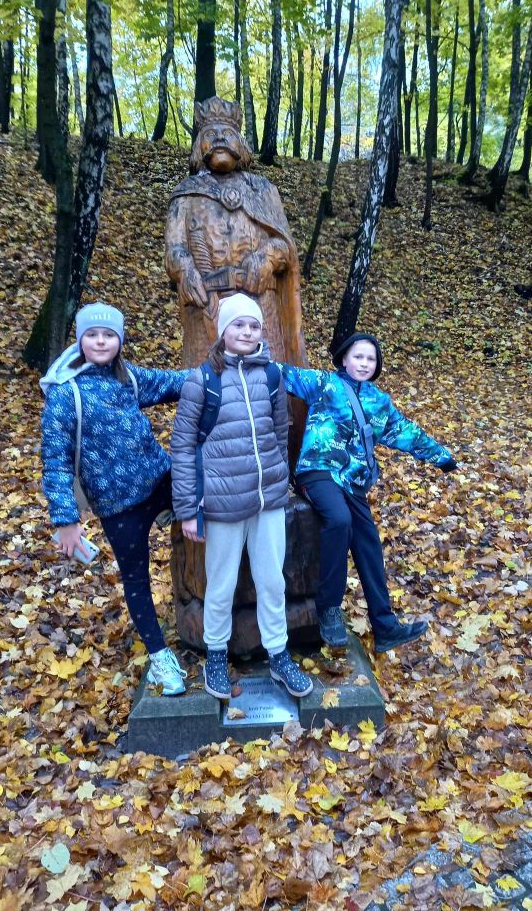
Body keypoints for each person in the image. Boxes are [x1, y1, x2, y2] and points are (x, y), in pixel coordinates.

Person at [40, 302, 190, 696]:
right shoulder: (65, 394)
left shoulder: (128, 378)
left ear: (119, 340)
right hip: (118, 507)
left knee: (206, 494)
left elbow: (174, 382)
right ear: (80, 340)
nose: (101, 341)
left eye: (108, 335)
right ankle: (160, 658)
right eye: (92, 334)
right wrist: (66, 521)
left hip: (159, 480)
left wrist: (220, 371)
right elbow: (55, 460)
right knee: (136, 579)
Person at [170, 293, 313, 700]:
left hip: (267, 500)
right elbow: (183, 447)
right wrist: (188, 510)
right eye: (239, 325)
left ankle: (279, 654)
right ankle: (216, 655)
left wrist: (279, 477)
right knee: (221, 584)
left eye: (254, 326)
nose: (247, 332)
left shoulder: (271, 376)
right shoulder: (203, 381)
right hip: (222, 503)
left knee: (272, 581)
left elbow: (280, 431)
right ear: (223, 330)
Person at [281, 333, 458, 653]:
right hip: (318, 470)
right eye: (358, 356)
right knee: (339, 520)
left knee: (369, 544)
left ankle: (385, 626)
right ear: (344, 359)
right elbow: (282, 374)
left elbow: (404, 431)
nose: (364, 363)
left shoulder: (379, 402)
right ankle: (328, 608)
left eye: (370, 359)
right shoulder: (324, 384)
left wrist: (441, 457)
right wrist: (248, 353)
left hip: (352, 480)